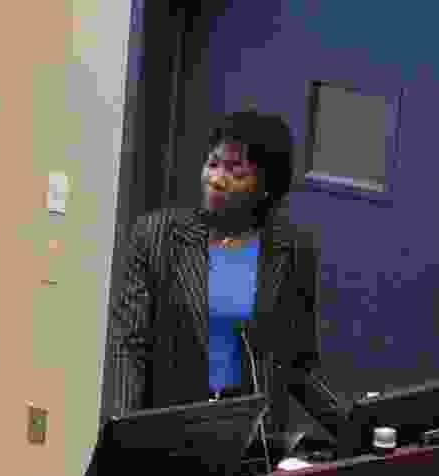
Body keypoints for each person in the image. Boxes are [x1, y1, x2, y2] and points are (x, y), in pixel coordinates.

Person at [105, 111, 333, 451]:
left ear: (266, 188)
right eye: (212, 164)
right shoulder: (156, 237)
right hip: (171, 439)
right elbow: (129, 347)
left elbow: (299, 364)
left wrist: (353, 428)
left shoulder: (292, 250)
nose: (216, 179)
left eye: (234, 172)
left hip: (252, 441)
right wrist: (125, 437)